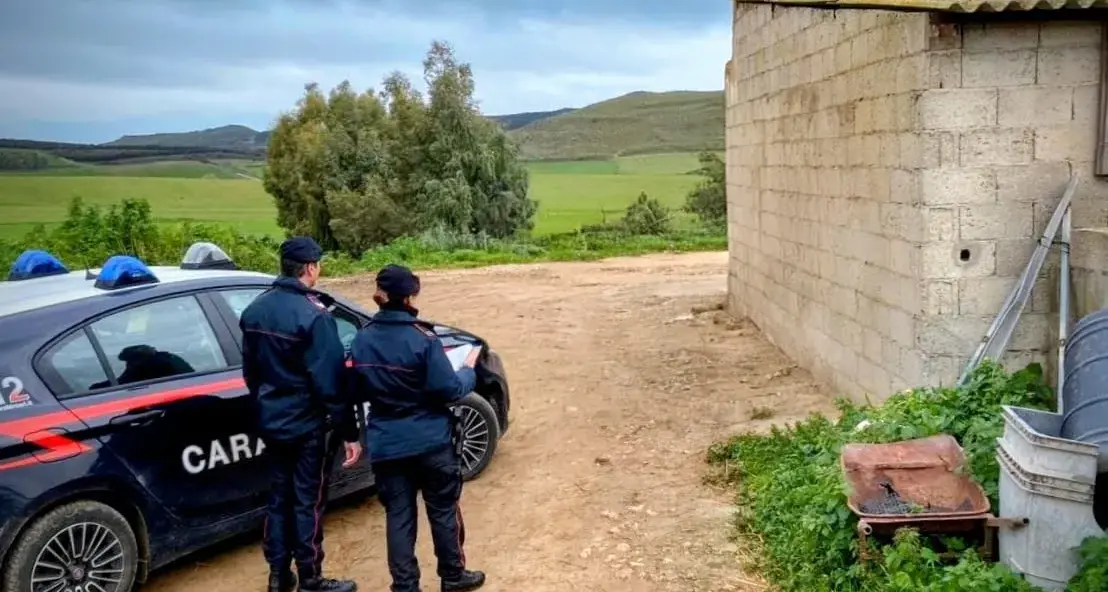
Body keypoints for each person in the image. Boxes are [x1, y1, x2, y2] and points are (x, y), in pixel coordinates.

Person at [349, 264, 486, 592]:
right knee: (442, 509)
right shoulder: (422, 339)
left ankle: (405, 586)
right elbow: (449, 390)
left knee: (399, 517)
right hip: (430, 442)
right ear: (410, 297)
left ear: (380, 295)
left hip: (387, 443)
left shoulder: (362, 339)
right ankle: (453, 575)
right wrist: (468, 371)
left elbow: (355, 390)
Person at [239, 237, 363, 592]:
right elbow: (330, 384)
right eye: (318, 264)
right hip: (306, 423)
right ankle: (310, 576)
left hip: (272, 421)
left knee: (279, 497)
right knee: (307, 499)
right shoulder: (315, 316)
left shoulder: (255, 310)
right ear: (310, 268)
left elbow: (251, 373)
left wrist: (266, 402)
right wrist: (349, 432)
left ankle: (278, 576)